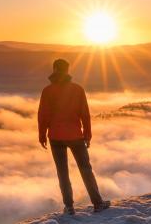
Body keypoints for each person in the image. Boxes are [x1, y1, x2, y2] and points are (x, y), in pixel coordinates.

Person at [38, 59, 110, 215]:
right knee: (85, 169)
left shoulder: (47, 91)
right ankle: (98, 203)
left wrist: (42, 135)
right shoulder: (77, 90)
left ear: (54, 69)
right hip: (75, 135)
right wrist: (87, 135)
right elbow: (85, 114)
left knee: (62, 172)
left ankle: (69, 207)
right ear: (68, 69)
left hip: (55, 136)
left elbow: (43, 115)